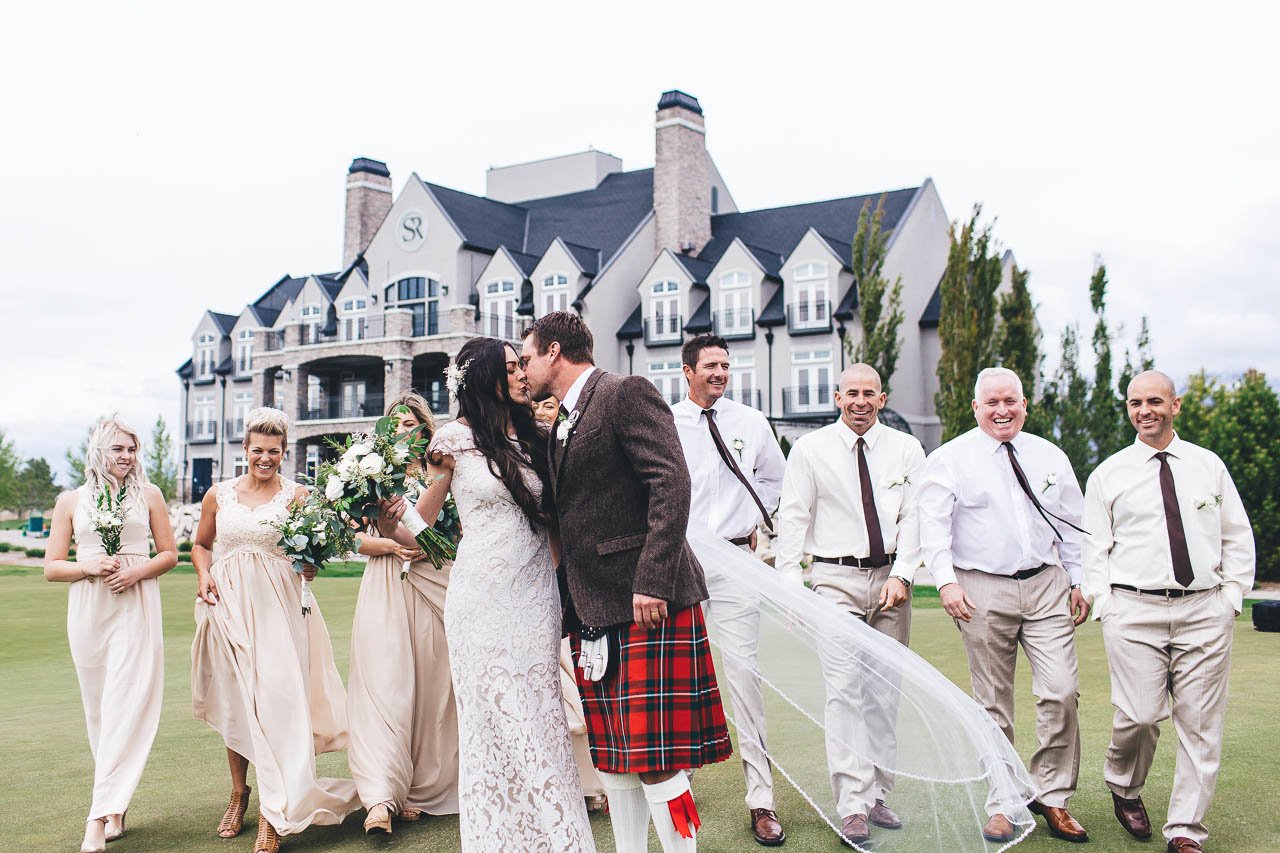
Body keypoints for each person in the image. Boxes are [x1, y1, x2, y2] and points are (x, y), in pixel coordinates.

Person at [521, 311, 732, 853]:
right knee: (614, 756)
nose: (523, 370)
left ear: (553, 352)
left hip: (646, 603)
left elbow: (671, 482)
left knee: (657, 758)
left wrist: (653, 580)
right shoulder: (562, 419)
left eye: (527, 358)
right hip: (593, 608)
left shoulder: (623, 393)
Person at [414, 337, 595, 852]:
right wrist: (384, 510)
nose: (522, 374)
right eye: (512, 367)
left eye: (522, 365)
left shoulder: (539, 435)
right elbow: (421, 522)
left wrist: (566, 585)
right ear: (485, 377)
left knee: (540, 713)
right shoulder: (451, 440)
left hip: (535, 596)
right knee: (498, 716)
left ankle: (555, 836)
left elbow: (555, 523)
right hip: (479, 599)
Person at [1082, 370, 1255, 853]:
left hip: (1204, 610)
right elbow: (1093, 548)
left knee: (1200, 726)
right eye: (1135, 403)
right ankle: (1124, 784)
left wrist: (1231, 597)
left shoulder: (1208, 465)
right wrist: (1106, 605)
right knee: (1139, 716)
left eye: (1154, 401)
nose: (1145, 411)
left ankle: (1185, 831)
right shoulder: (1109, 474)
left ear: (1175, 405)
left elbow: (1236, 533)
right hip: (1133, 610)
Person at [916, 367, 1089, 844]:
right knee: (993, 702)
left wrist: (1079, 580)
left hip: (1047, 584)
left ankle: (1052, 795)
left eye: (1010, 400)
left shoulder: (1050, 456)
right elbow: (933, 528)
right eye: (991, 402)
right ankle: (1003, 800)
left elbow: (1072, 524)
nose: (1002, 410)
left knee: (1061, 690)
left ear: (1024, 404)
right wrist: (946, 583)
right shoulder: (950, 458)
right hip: (981, 588)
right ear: (976, 408)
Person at [190, 407, 359, 853]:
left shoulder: (298, 496)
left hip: (280, 611)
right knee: (239, 705)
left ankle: (273, 811)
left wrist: (310, 565)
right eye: (258, 450)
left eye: (274, 452)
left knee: (277, 705)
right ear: (245, 448)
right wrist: (203, 575)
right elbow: (201, 545)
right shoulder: (218, 495)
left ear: (284, 453)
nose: (265, 458)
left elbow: (311, 555)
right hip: (228, 609)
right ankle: (239, 792)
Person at [775, 363, 925, 847]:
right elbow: (793, 519)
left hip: (891, 583)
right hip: (833, 581)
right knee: (844, 693)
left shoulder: (907, 449)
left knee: (883, 696)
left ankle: (879, 794)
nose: (860, 401)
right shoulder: (810, 449)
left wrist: (904, 573)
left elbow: (916, 517)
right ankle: (853, 806)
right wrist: (791, 586)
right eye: (851, 393)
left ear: (882, 399)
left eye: (869, 393)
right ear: (838, 397)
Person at [671, 334, 787, 847]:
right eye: (710, 366)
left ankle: (761, 800)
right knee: (682, 676)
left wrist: (754, 516)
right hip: (684, 562)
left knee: (745, 676)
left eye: (725, 365)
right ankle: (677, 787)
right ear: (688, 371)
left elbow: (776, 480)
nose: (719, 373)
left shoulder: (751, 421)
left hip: (737, 560)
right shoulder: (667, 422)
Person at [43, 417, 178, 853]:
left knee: (125, 705)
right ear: (99, 450)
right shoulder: (70, 500)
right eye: (118, 448)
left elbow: (170, 554)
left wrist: (137, 571)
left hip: (136, 605)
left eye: (132, 449)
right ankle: (116, 805)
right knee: (99, 712)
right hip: (88, 609)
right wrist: (88, 566)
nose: (126, 456)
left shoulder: (149, 495)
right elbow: (52, 568)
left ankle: (96, 820)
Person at [347, 392, 460, 834]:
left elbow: (457, 529)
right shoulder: (372, 474)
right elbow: (354, 538)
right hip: (387, 582)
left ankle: (420, 787)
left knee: (432, 684)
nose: (401, 432)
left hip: (434, 579)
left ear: (425, 429)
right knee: (385, 681)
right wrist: (390, 544)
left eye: (409, 424)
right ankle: (381, 794)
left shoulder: (442, 471)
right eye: (394, 425)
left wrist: (429, 547)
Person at [531, 394, 610, 812]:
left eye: (549, 406)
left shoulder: (569, 448)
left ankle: (599, 779)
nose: (542, 413)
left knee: (581, 680)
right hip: (534, 572)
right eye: (536, 407)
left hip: (573, 571)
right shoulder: (528, 455)